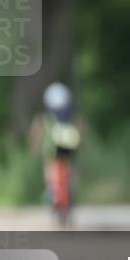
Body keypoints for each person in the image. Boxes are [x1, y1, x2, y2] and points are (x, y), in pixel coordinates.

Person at [30, 82, 83, 227]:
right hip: (69, 150)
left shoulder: (45, 117)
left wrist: (35, 148)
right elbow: (81, 128)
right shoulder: (71, 116)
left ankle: (51, 193)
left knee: (49, 171)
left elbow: (37, 131)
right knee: (71, 173)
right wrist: (80, 146)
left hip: (52, 151)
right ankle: (71, 197)